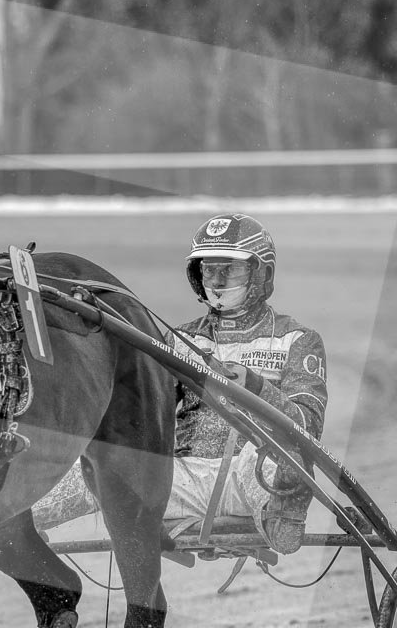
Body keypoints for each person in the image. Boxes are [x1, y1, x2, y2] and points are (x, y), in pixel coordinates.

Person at [31, 213, 327, 554]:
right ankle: (9, 523)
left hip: (252, 475)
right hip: (176, 480)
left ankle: (282, 518)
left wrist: (255, 387)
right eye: (209, 270)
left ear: (262, 273)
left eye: (230, 269)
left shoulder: (298, 340)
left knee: (283, 459)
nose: (217, 280)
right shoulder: (179, 340)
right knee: (99, 468)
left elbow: (308, 428)